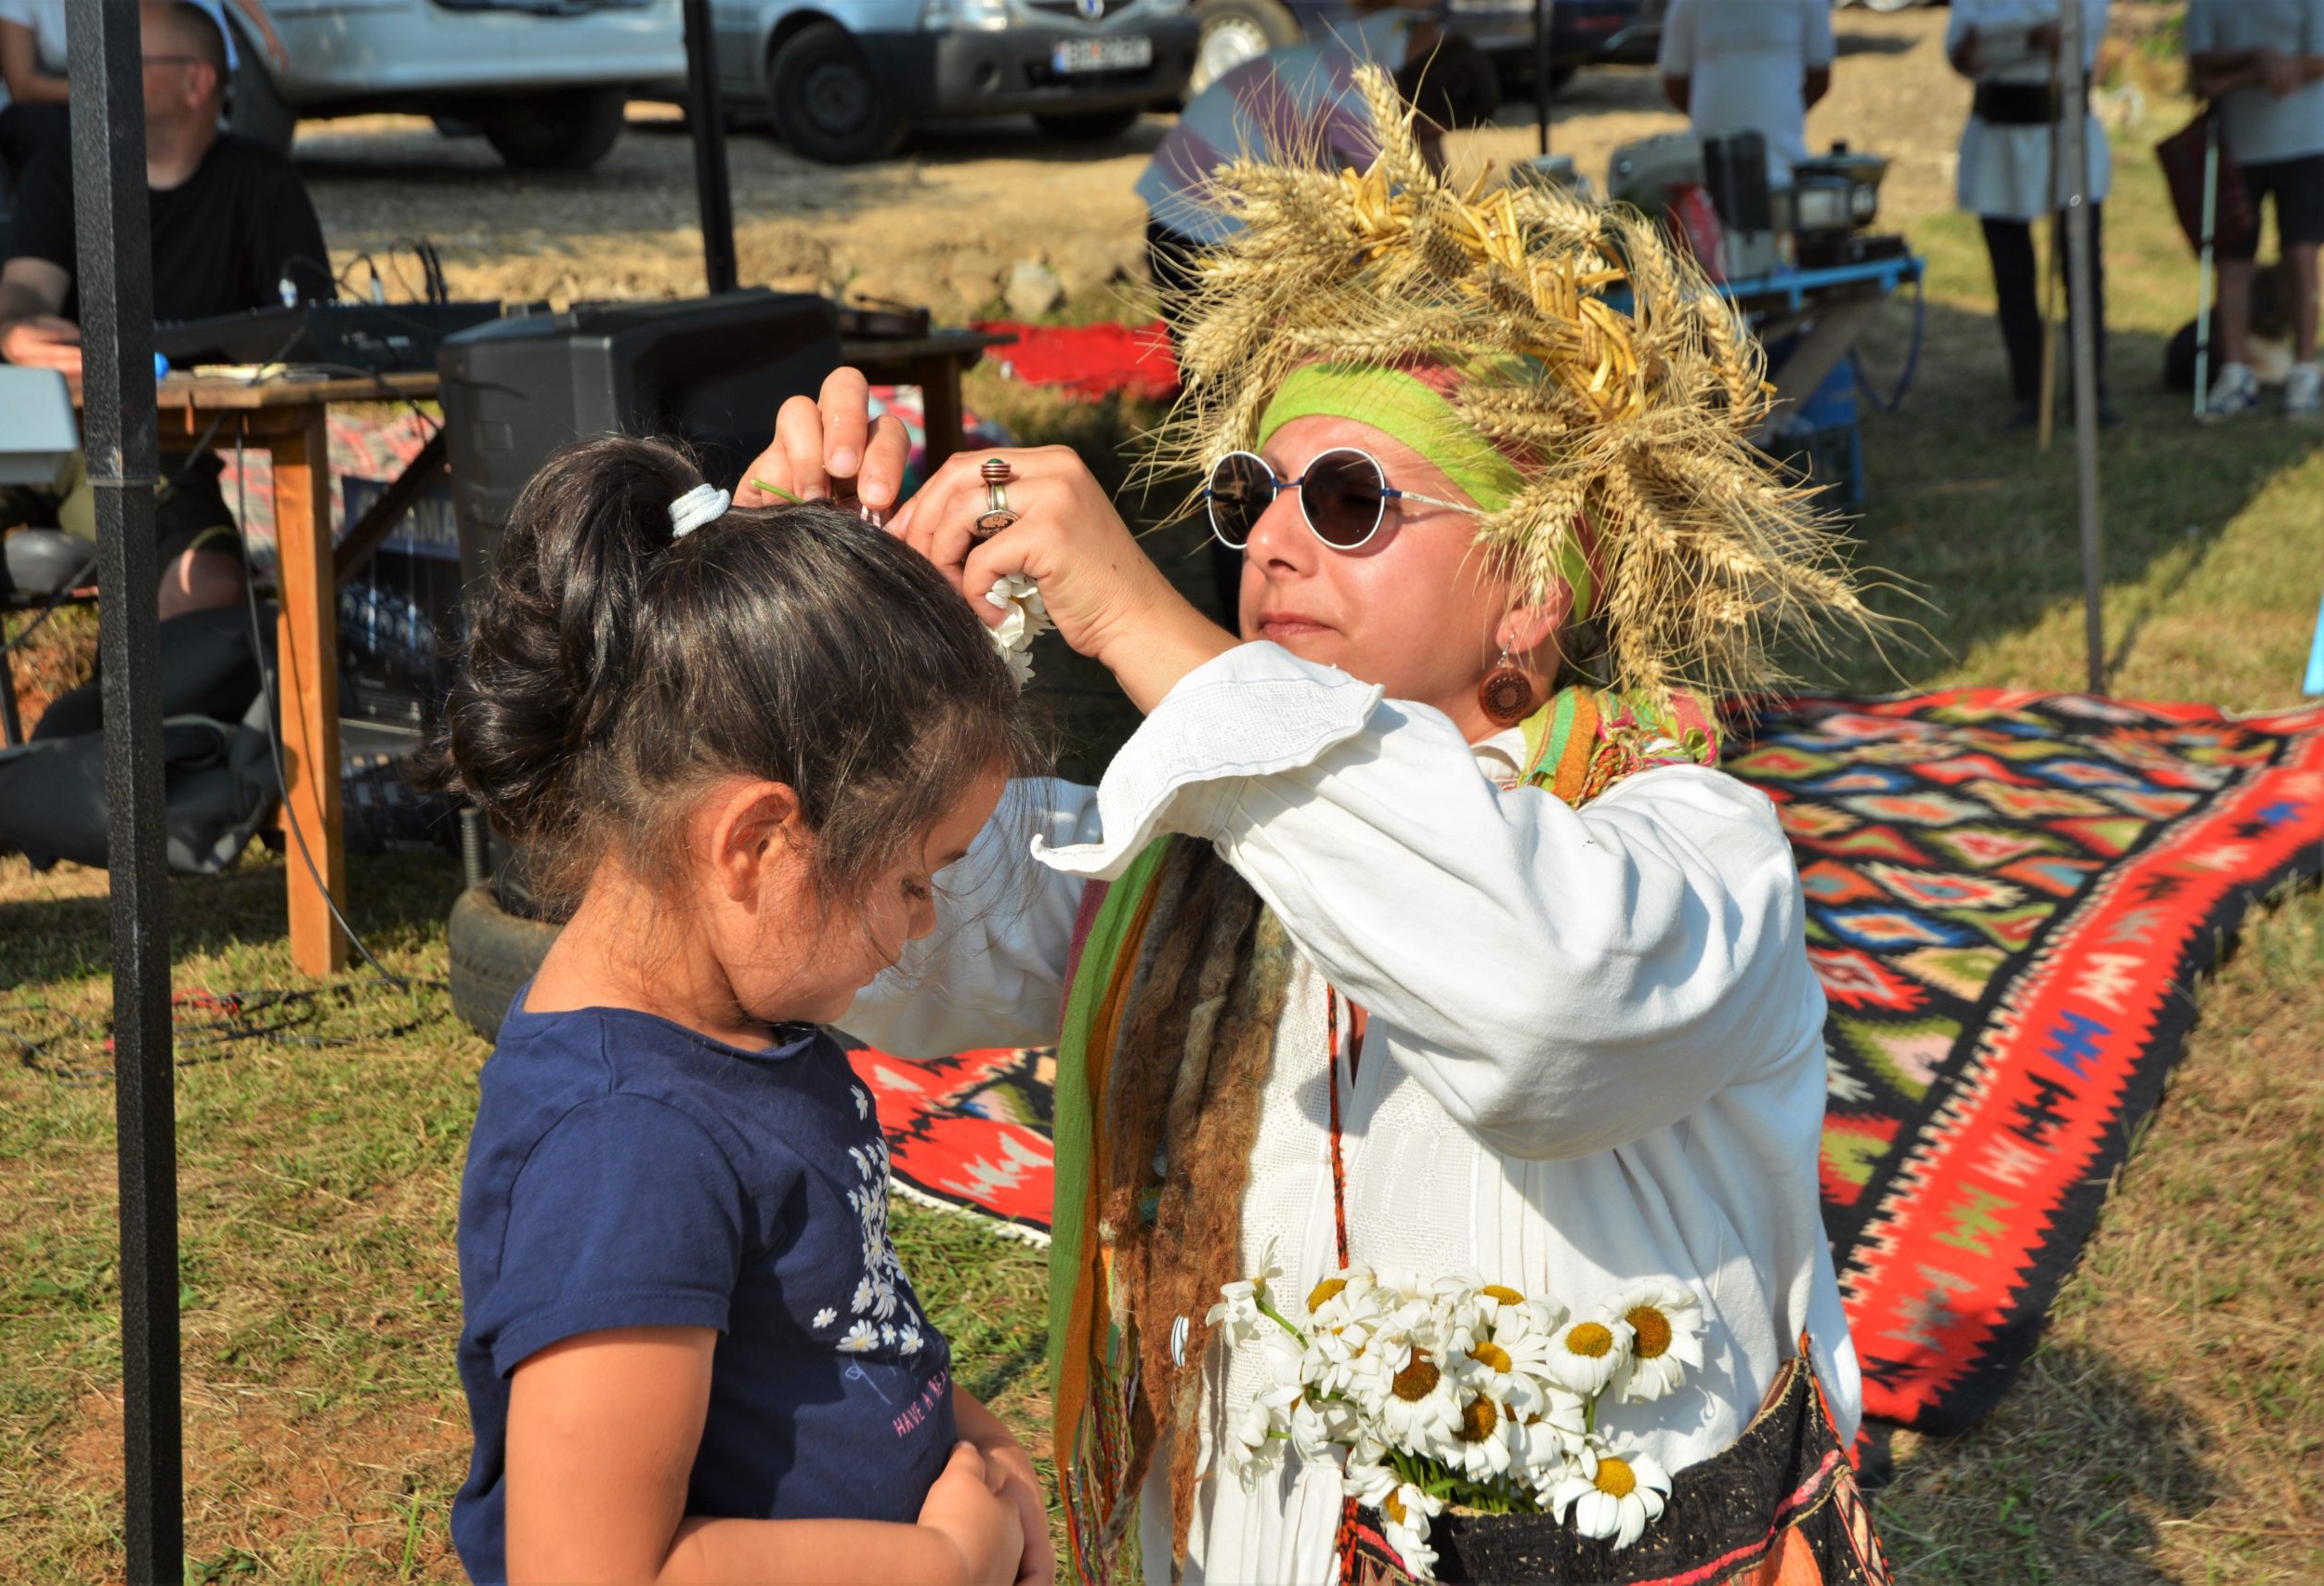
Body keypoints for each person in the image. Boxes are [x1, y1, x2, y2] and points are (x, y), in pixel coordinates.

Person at [747, 69, 1891, 1586]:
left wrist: (1149, 631)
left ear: (1533, 586)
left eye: (1348, 498)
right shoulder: (1189, 857)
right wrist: (813, 633)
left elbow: (1543, 1003)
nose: (1275, 538)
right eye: (1250, 495)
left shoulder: (1694, 848)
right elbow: (852, 936)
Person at [434, 430, 1051, 1585]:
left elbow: (841, 1337)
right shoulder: (627, 1147)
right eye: (914, 879)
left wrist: (979, 1442)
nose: (922, 923)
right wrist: (937, 1564)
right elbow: (591, 1570)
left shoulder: (741, 1034)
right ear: (760, 844)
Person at [0, 0, 329, 854]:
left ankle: (99, 768)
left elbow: (310, 333)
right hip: (37, 426)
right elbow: (24, 291)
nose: (97, 82)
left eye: (127, 63)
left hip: (148, 443)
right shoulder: (68, 170)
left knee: (205, 590)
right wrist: (16, 329)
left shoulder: (259, 182)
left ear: (196, 83)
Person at [1139, 3, 1489, 626]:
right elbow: (1414, 228)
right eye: (1436, 130)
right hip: (1202, 234)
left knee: (1245, 418)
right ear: (1417, 110)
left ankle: (1255, 600)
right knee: (1239, 427)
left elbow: (1420, 197)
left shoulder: (1372, 64)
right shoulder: (1363, 101)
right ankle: (1241, 611)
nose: (1438, 143)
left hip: (1191, 213)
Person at [1946, 0, 2117, 432]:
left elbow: (2084, 31)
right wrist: (2025, 40)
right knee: (2013, 274)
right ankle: (2030, 390)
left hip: (2066, 140)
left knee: (2081, 270)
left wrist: (2009, 39)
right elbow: (1963, 54)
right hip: (1999, 146)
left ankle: (2087, 389)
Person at [2186, 0, 2324, 420]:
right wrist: (2256, 59)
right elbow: (2200, 62)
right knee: (2232, 264)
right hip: (2236, 150)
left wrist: (2247, 74)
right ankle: (2236, 372)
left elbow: (2318, 56)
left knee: (2301, 258)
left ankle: (2304, 370)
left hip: (2306, 146)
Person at [0, 0, 287, 177]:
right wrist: (101, 92)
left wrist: (261, 27)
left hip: (115, 101)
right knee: (67, 144)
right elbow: (22, 86)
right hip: (39, 111)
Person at [1659, 0, 1834, 184]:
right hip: (1711, 172)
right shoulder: (1687, 3)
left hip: (1785, 167)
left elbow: (1820, 76)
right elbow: (1674, 80)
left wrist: (1781, 117)